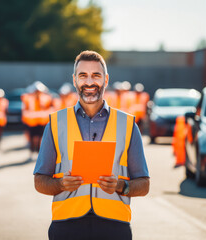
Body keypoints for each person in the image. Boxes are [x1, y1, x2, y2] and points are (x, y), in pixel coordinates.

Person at [34, 50, 150, 240]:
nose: (89, 82)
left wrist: (121, 185)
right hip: (66, 225)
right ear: (74, 80)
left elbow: (144, 185)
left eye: (96, 75)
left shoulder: (128, 125)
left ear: (105, 79)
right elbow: (39, 181)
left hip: (114, 226)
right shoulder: (56, 123)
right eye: (83, 75)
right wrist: (60, 184)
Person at [21, 81, 55, 160]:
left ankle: (38, 153)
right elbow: (24, 110)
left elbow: (51, 108)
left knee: (40, 138)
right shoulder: (28, 98)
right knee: (32, 138)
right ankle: (32, 152)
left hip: (42, 122)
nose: (37, 93)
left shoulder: (46, 98)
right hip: (31, 122)